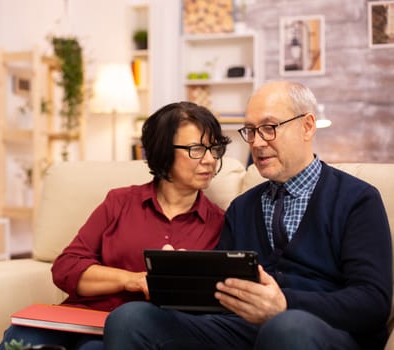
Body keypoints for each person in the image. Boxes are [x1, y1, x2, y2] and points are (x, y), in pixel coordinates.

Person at [103, 80, 393, 350]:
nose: (256, 142)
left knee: (286, 328)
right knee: (130, 319)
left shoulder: (357, 199)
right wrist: (179, 281)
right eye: (250, 131)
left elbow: (372, 302)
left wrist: (284, 304)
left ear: (307, 127)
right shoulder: (243, 207)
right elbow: (219, 291)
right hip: (241, 329)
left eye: (269, 127)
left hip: (321, 330)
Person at [0, 101, 232, 350]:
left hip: (134, 333)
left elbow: (214, 307)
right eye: (196, 149)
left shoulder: (219, 223)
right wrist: (133, 280)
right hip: (78, 318)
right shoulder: (119, 202)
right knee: (21, 337)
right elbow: (66, 267)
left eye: (214, 149)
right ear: (163, 151)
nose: (210, 160)